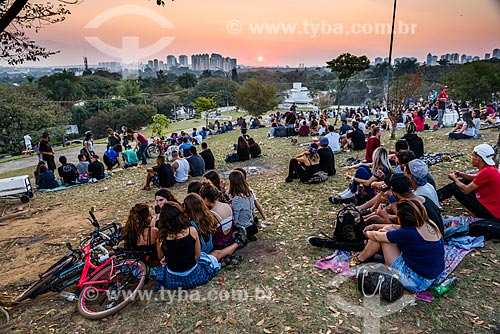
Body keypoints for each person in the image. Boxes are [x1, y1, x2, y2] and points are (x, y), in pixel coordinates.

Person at [352, 199, 444, 292]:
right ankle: (363, 256)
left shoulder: (409, 233)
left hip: (415, 281)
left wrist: (366, 232)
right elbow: (397, 228)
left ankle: (360, 258)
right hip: (430, 277)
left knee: (383, 235)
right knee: (387, 229)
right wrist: (376, 226)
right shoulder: (429, 223)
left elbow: (377, 236)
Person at [155, 202, 221, 290]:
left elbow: (161, 257)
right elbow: (197, 255)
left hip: (172, 280)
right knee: (211, 259)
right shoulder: (191, 231)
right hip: (195, 275)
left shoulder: (161, 237)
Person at [437, 144, 500, 219]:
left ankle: (433, 199)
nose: (471, 158)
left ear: (478, 159)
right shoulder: (490, 168)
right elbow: (477, 178)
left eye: (473, 156)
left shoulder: (487, 171)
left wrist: (454, 179)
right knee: (465, 181)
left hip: (490, 213)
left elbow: (466, 190)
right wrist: (461, 174)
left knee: (454, 187)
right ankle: (435, 197)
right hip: (492, 207)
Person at [122, 203, 159, 267]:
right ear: (143, 219)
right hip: (153, 265)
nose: (152, 217)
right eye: (150, 215)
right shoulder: (153, 231)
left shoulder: (129, 231)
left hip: (137, 266)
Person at [229, 170, 259, 241]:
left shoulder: (237, 199)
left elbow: (235, 221)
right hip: (251, 223)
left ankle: (242, 235)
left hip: (242, 226)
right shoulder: (250, 193)